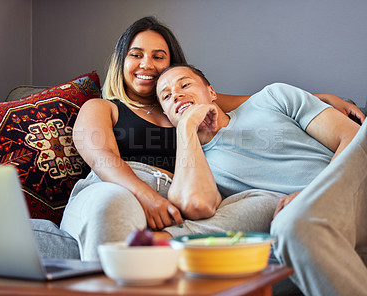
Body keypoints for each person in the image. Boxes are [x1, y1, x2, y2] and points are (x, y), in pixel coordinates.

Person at [60, 16, 365, 262]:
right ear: (121, 61)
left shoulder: (182, 107)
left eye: (158, 56)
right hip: (118, 187)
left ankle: (168, 245)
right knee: (111, 204)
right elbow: (102, 158)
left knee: (266, 203)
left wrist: (321, 99)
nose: (147, 65)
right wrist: (144, 194)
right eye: (136, 55)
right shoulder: (103, 107)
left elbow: (250, 100)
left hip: (176, 202)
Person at [155, 64, 367, 295]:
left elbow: (351, 137)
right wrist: (186, 128)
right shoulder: (199, 166)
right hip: (306, 228)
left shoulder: (272, 97)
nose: (176, 94)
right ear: (166, 116)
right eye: (166, 96)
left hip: (352, 189)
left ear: (212, 92)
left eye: (185, 85)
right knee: (288, 229)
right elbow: (195, 203)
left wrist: (312, 193)